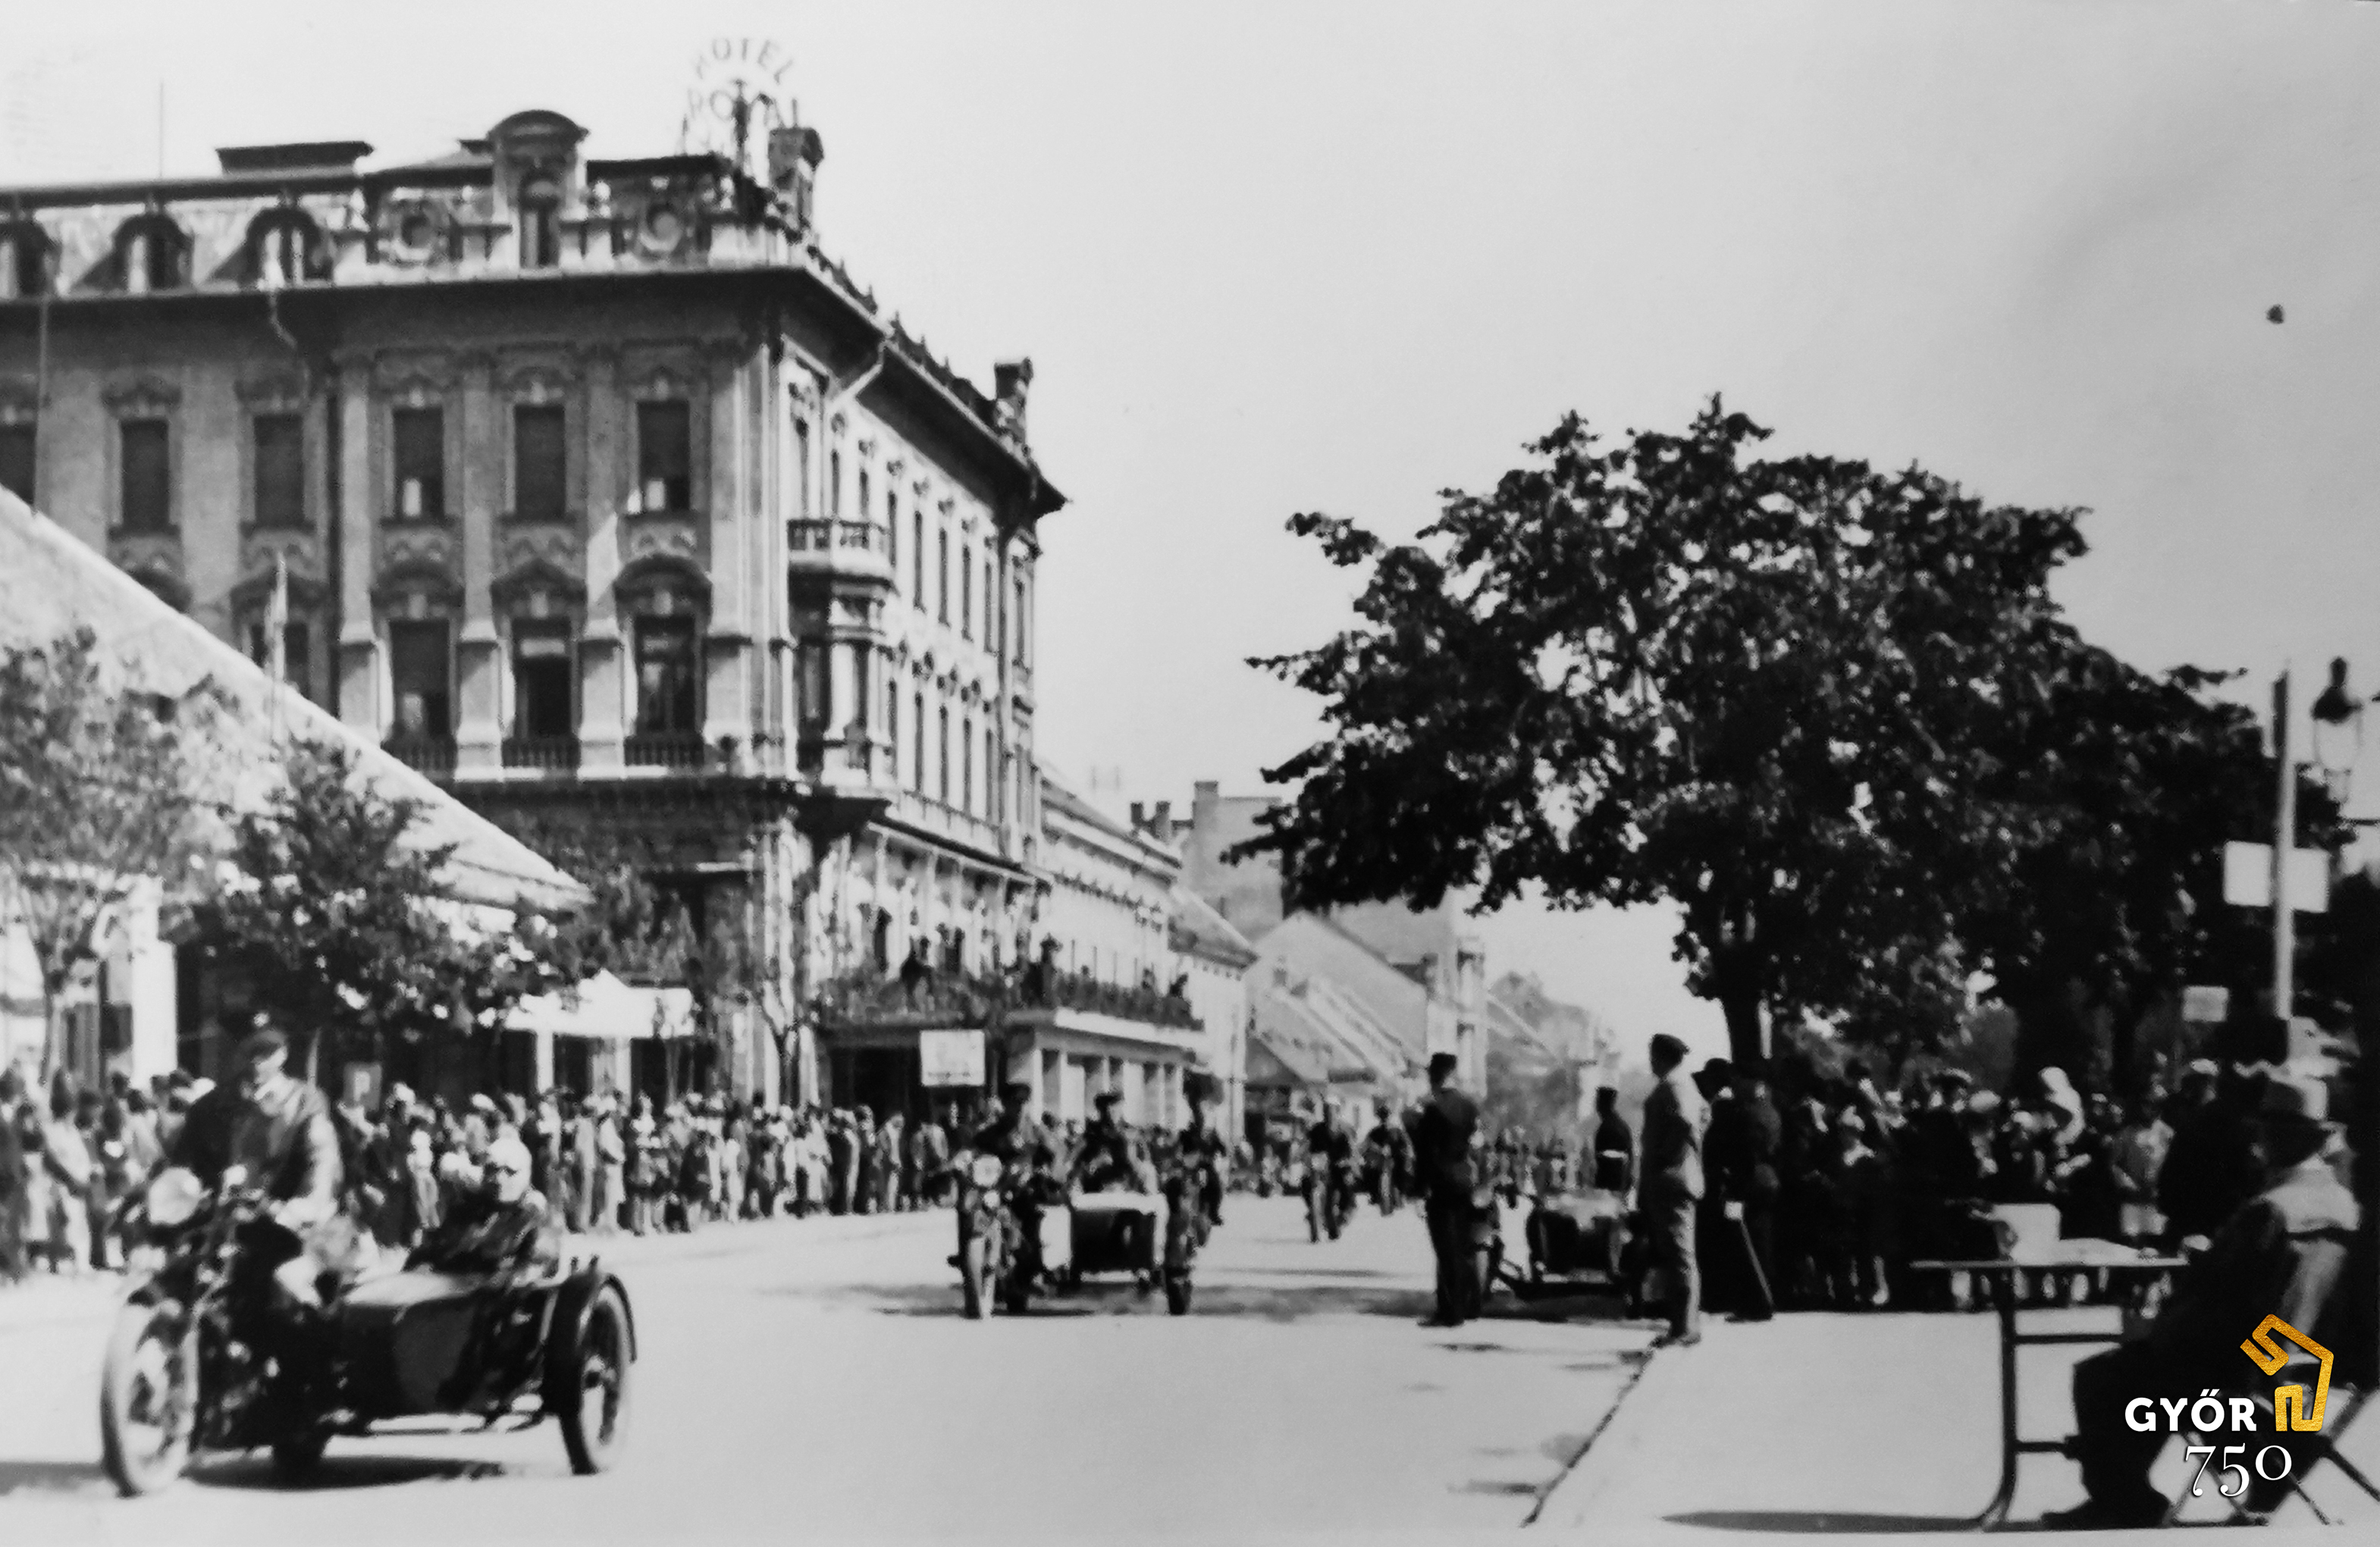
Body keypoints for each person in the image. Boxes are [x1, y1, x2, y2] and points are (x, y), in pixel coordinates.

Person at [2052, 1074, 2362, 1529]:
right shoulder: (2345, 1206)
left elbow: (2220, 1302)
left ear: (2274, 1136)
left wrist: (2160, 1324)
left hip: (2241, 1377)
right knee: (2145, 1367)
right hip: (2302, 1373)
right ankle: (2264, 1476)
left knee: (2106, 1375)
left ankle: (2124, 1498)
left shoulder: (2271, 1209)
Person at [407, 1132, 562, 1278]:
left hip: (498, 1297)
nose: (499, 1178)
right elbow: (438, 1247)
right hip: (451, 1288)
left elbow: (538, 1267)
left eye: (509, 1171)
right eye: (493, 1169)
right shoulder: (469, 1206)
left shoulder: (534, 1215)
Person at [1641, 1032, 1708, 1348]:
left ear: (1660, 1056)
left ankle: (1683, 1327)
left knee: (1680, 1254)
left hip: (1673, 1179)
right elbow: (1701, 1118)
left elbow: (1684, 1123)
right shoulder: (1685, 1085)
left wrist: (1666, 1158)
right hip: (1683, 1176)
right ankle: (1682, 1324)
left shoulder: (1674, 1086)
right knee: (1679, 1254)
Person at [1411, 1051, 1483, 1327]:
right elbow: (1477, 1143)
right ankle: (1469, 1305)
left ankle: (1450, 1312)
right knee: (1464, 1246)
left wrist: (1418, 1190)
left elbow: (1425, 1154)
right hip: (1465, 1180)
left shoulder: (1433, 1109)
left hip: (1441, 1182)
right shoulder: (1469, 1106)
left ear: (1434, 1076)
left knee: (1445, 1248)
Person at [1590, 1086, 1633, 1197]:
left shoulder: (1608, 1127)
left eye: (1598, 1101)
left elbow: (1603, 1159)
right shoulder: (1621, 1126)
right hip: (1620, 1185)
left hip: (1610, 1186)